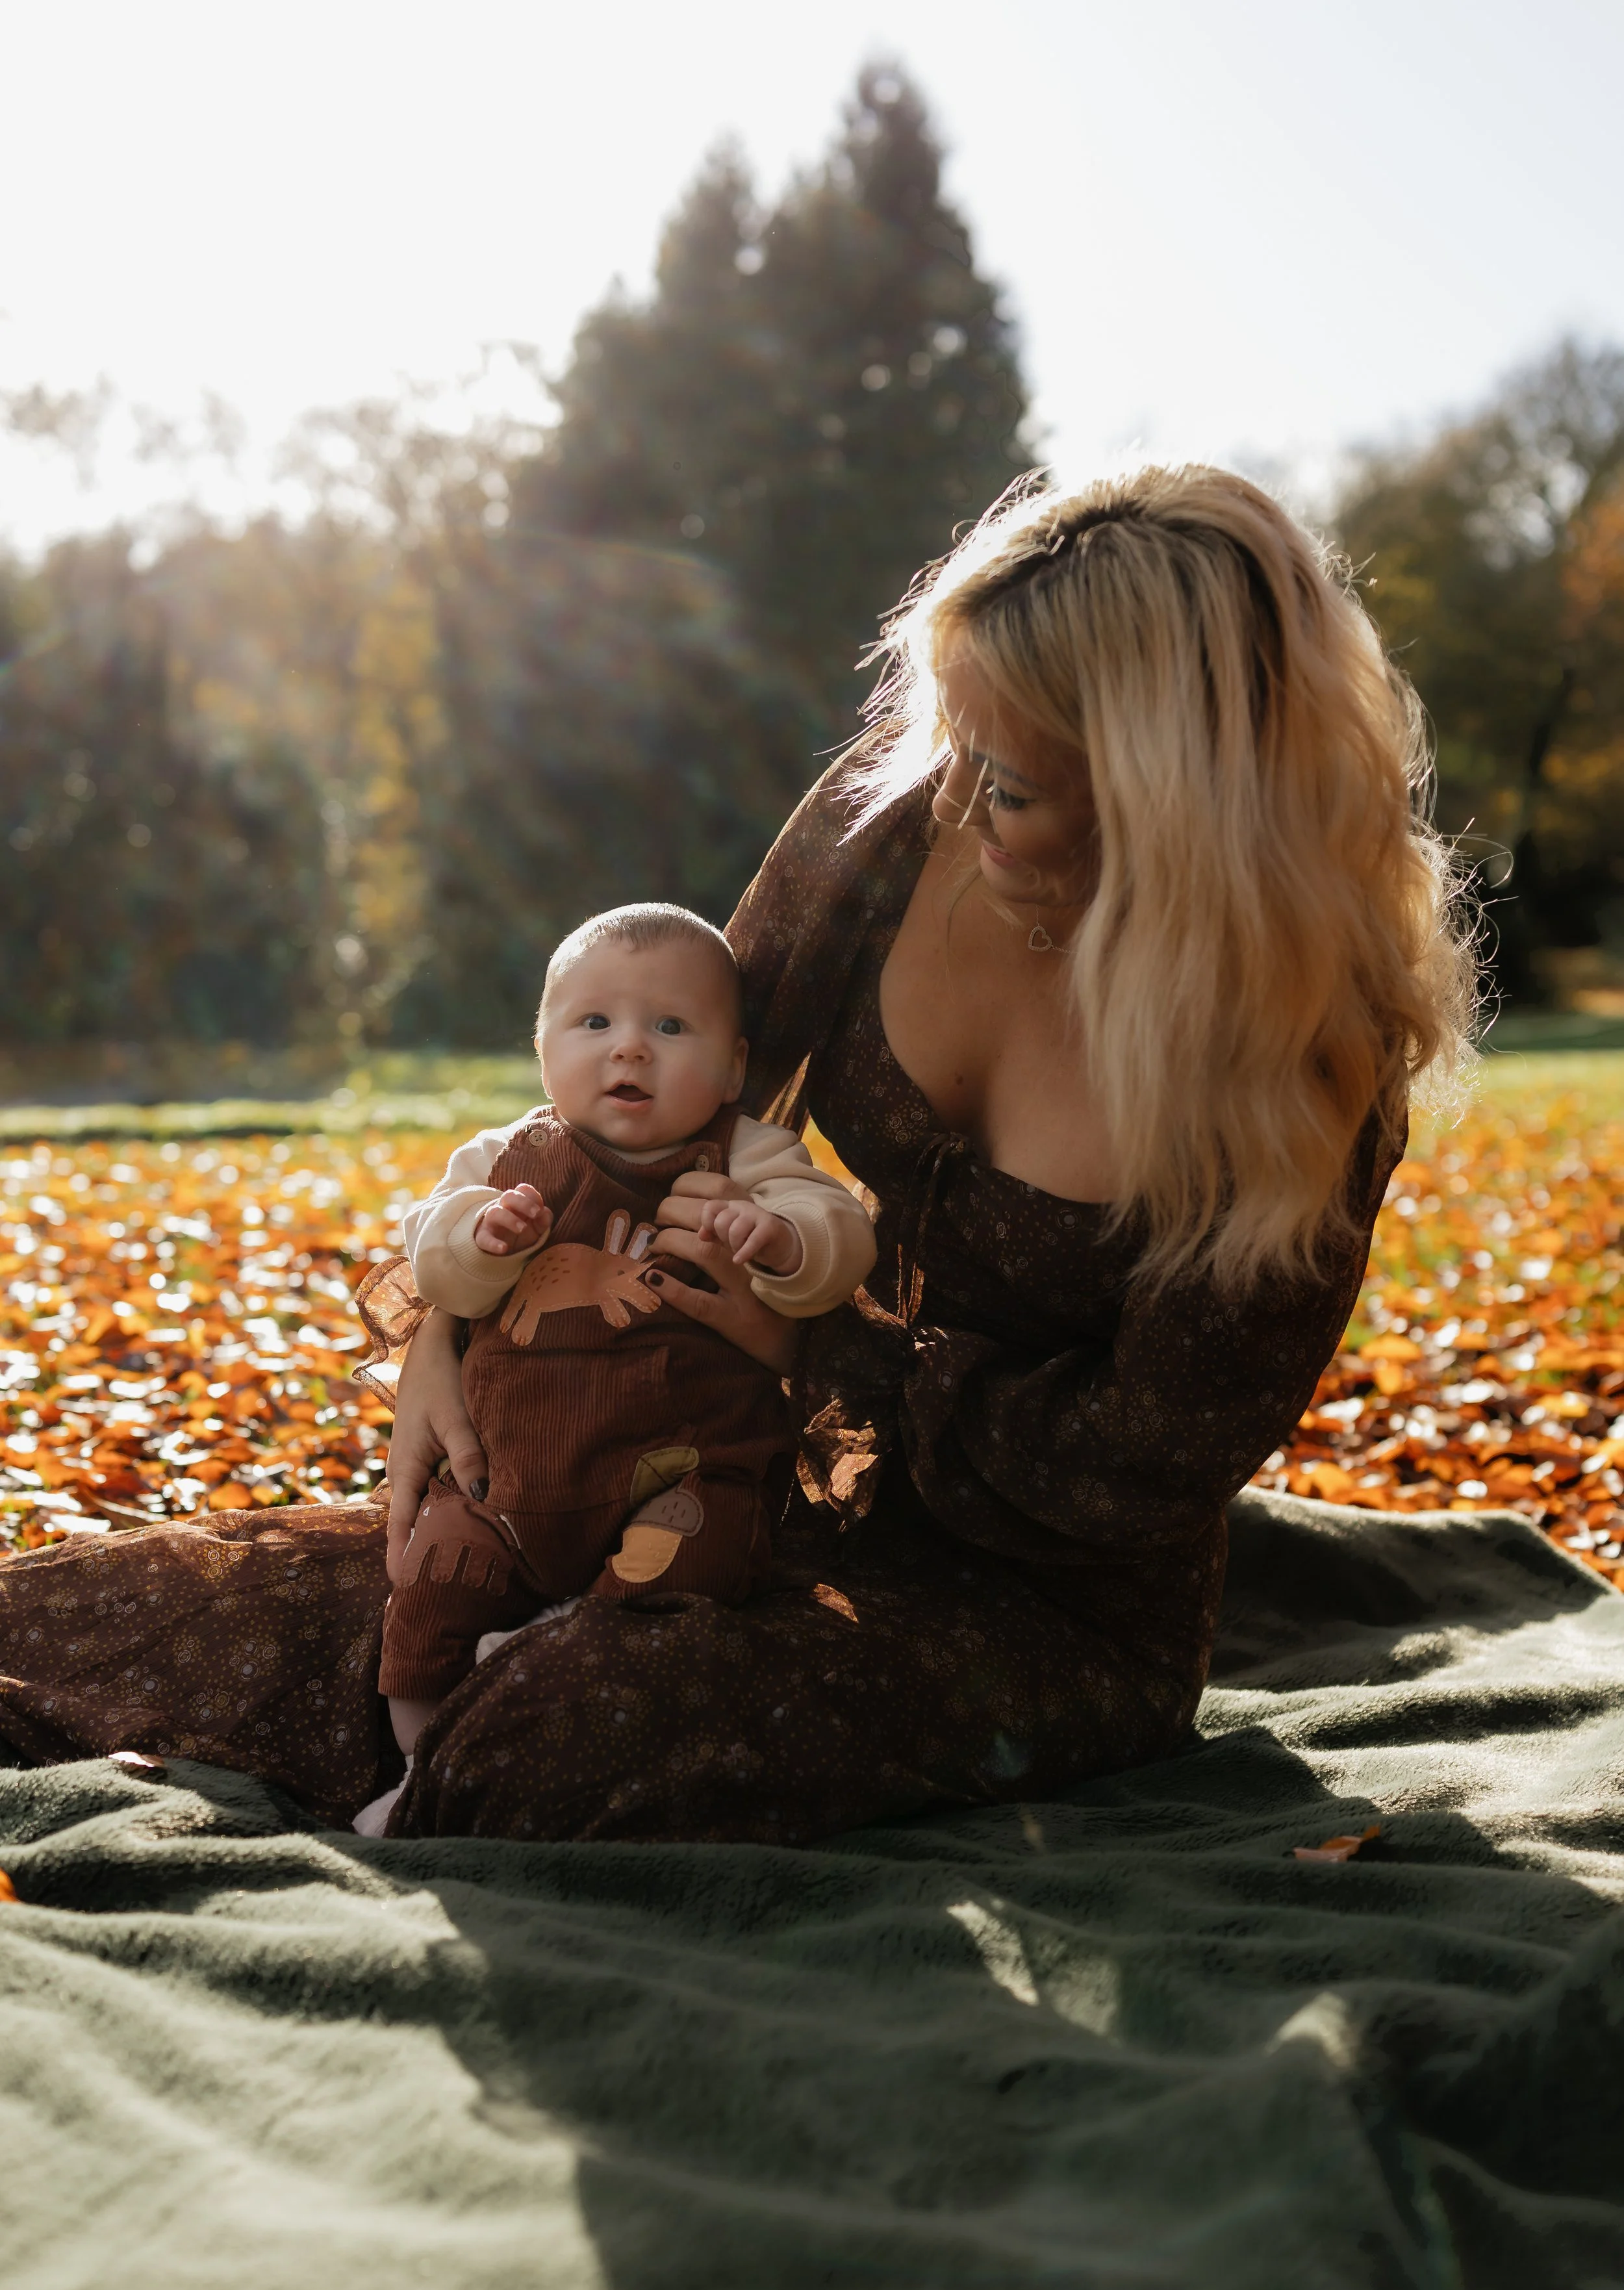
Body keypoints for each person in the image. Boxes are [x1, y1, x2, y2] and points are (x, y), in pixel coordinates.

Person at [0, 464, 1472, 1847]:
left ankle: (435, 1773)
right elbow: (657, 1087)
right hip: (694, 1459)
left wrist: (817, 1346)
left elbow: (1135, 1465)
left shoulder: (1306, 1070)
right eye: (961, 746)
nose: (962, 798)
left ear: (1172, 798)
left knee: (564, 1725)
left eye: (1016, 782)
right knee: (151, 1619)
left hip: (1038, 1605)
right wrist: (445, 1337)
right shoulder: (894, 825)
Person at [362, 902, 876, 1814]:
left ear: (733, 1068)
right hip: (506, 1486)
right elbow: (432, 1255)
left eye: (670, 1027)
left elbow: (839, 1231)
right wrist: (482, 1240)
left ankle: (558, 1650)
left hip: (679, 1480)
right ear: (544, 1051)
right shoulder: (506, 1158)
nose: (629, 1047)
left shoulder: (750, 1156)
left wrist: (784, 1239)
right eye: (595, 1022)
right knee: (432, 1583)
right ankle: (421, 1764)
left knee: (700, 1562)